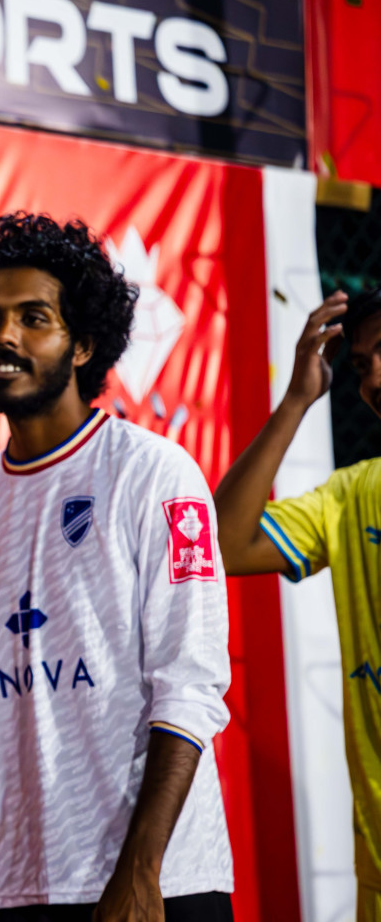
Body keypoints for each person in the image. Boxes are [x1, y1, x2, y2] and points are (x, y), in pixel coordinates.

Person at [0, 213, 235, 922]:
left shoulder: (153, 472)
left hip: (155, 883)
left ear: (81, 344)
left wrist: (140, 869)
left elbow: (190, 684)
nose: (3, 338)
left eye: (31, 318)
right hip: (18, 888)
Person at [214, 288, 381, 922]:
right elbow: (225, 544)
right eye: (362, 367)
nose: (374, 380)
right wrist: (295, 401)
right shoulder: (352, 495)